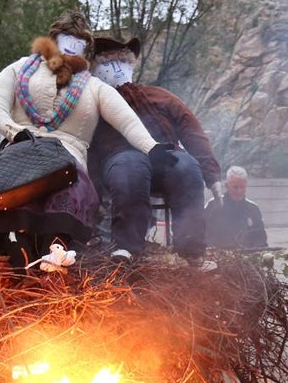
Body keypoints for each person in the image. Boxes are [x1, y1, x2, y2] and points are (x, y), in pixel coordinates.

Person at [0, 11, 173, 265]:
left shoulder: (93, 87)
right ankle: (9, 256)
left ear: (86, 51)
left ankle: (56, 259)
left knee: (67, 199)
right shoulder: (19, 69)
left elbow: (126, 120)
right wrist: (13, 132)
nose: (69, 52)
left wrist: (152, 147)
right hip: (19, 150)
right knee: (10, 200)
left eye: (77, 45)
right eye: (64, 42)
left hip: (66, 160)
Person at [87, 35, 222, 263]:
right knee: (129, 168)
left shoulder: (159, 96)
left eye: (122, 62)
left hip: (165, 155)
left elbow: (191, 129)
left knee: (186, 167)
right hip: (119, 158)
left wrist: (211, 174)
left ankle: (191, 249)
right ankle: (127, 248)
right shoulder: (94, 103)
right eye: (107, 63)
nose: (116, 69)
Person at [205, 166, 268, 249]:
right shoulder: (213, 205)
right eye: (235, 187)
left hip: (247, 258)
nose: (239, 191)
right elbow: (202, 234)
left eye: (242, 187)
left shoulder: (253, 209)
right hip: (219, 257)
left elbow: (261, 240)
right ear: (227, 185)